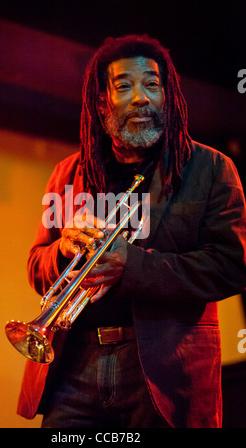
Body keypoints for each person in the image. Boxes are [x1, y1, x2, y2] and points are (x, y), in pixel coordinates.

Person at [16, 34, 246, 428]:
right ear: (102, 102)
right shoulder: (67, 174)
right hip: (73, 368)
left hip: (166, 371)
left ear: (167, 96)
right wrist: (64, 250)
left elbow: (230, 266)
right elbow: (37, 267)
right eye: (124, 86)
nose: (141, 97)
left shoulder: (211, 168)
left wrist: (132, 265)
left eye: (152, 84)